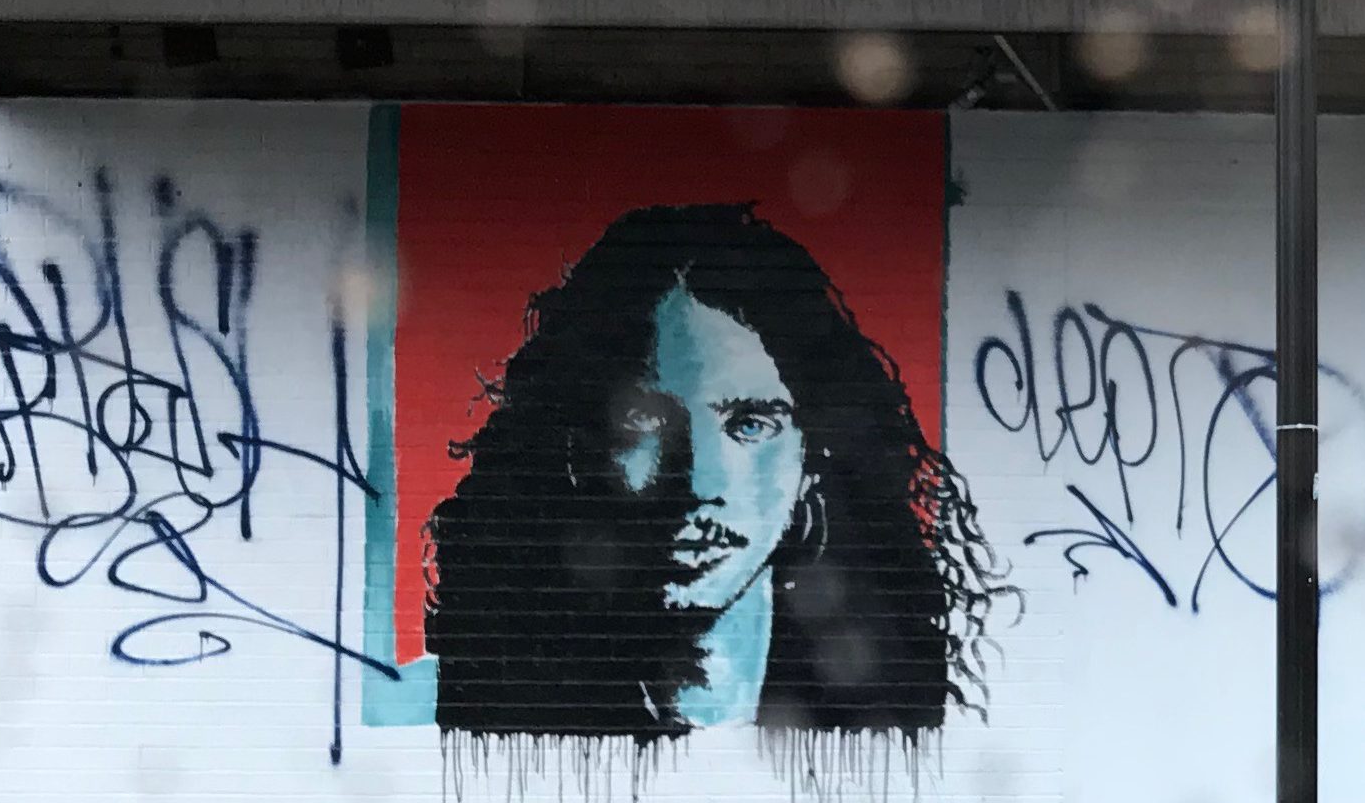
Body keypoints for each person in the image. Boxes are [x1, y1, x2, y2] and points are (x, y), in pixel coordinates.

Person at [426, 203, 999, 741]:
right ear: (576, 448)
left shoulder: (893, 738)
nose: (700, 485)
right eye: (643, 419)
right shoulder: (483, 728)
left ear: (812, 460)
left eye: (749, 425)